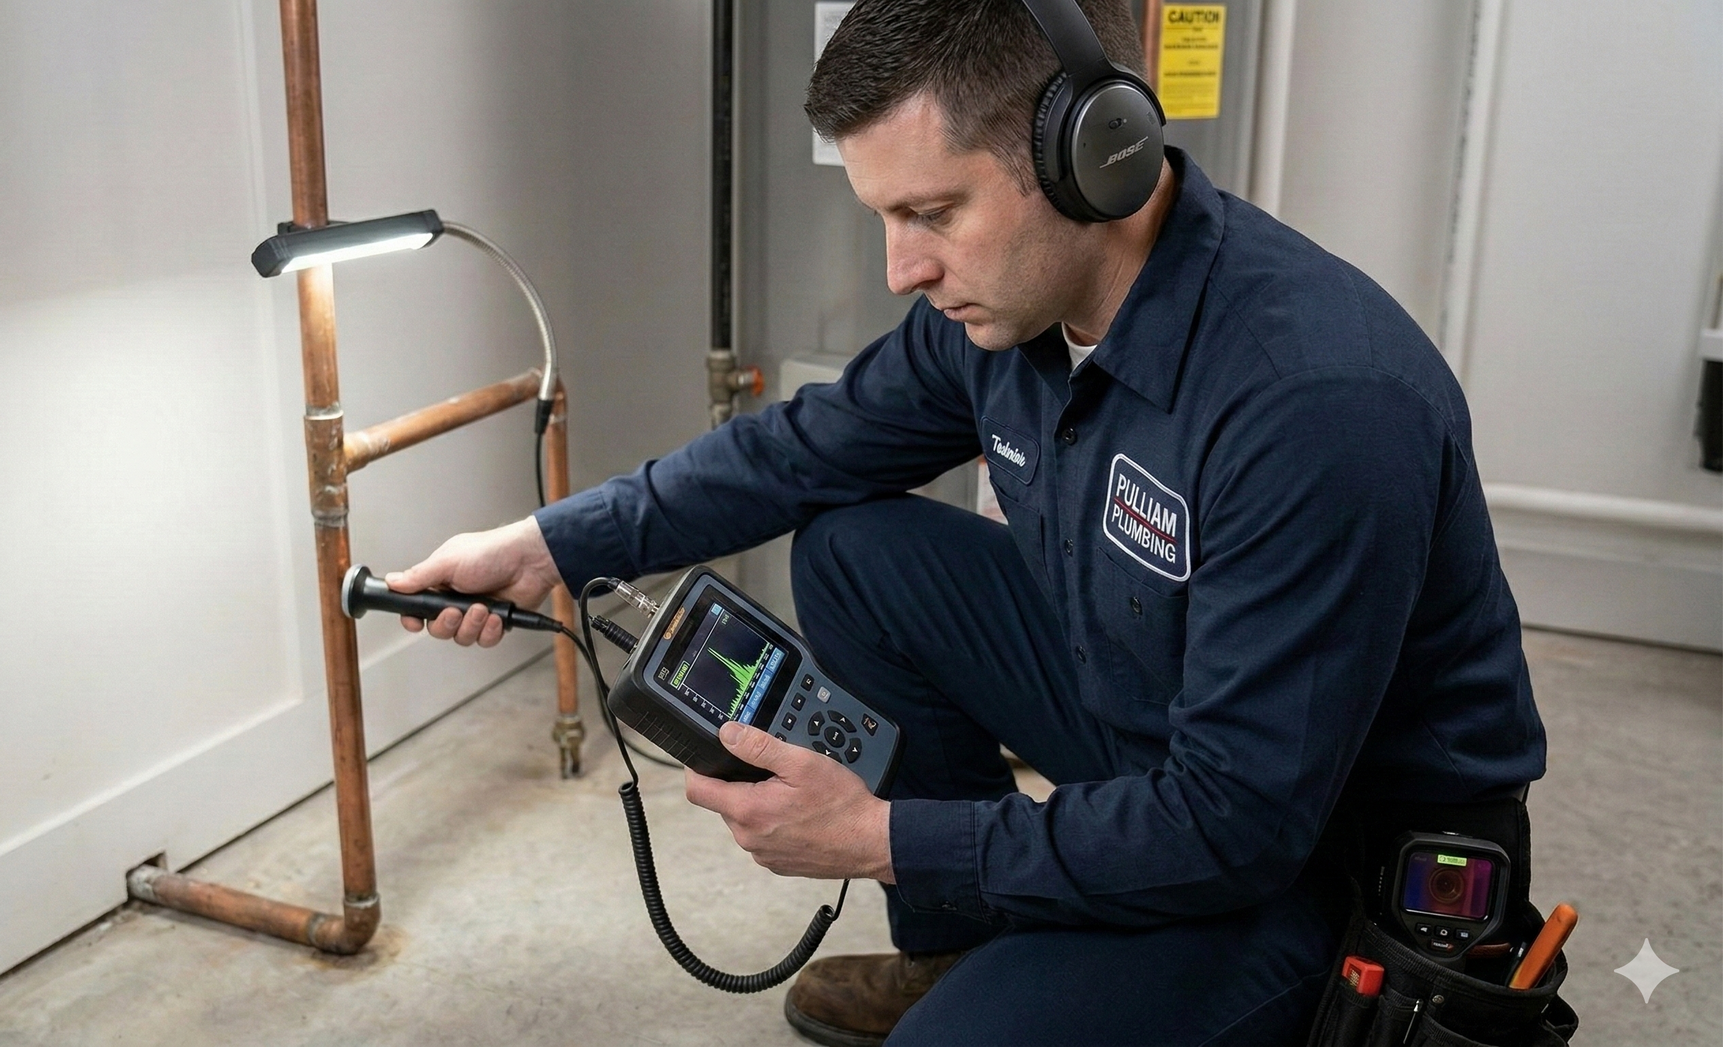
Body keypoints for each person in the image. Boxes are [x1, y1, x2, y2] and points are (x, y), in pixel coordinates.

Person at [387, 1, 1547, 1043]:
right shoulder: (1000, 318)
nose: (901, 268)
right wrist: (547, 548)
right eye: (885, 216)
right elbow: (799, 453)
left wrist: (883, 839)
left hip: (1318, 854)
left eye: (932, 211)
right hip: (1162, 721)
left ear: (1094, 157)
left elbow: (1237, 826)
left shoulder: (1314, 403)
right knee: (856, 550)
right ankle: (960, 950)